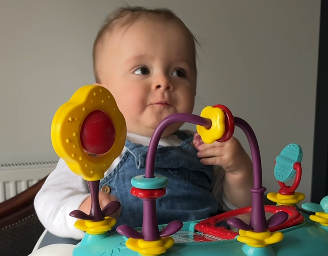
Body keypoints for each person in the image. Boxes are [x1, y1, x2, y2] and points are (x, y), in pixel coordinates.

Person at [34, 6, 253, 245]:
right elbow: (50, 200)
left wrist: (238, 171)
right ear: (103, 93)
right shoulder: (94, 150)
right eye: (142, 70)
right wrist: (82, 210)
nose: (164, 82)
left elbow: (238, 212)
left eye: (179, 72)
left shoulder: (202, 147)